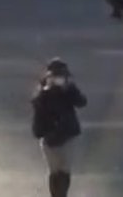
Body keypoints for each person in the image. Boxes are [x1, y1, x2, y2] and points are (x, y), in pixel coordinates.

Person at [31, 58, 87, 197]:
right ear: (49, 77)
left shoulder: (70, 90)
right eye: (56, 76)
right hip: (49, 138)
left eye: (62, 76)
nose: (59, 80)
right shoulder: (42, 94)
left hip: (69, 135)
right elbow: (37, 112)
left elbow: (82, 102)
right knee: (55, 172)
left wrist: (69, 90)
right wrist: (46, 92)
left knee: (65, 170)